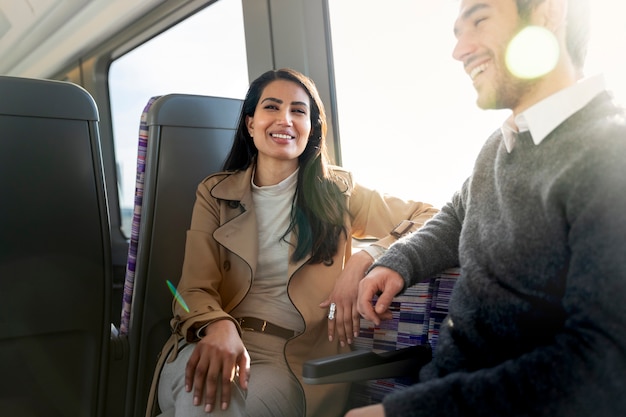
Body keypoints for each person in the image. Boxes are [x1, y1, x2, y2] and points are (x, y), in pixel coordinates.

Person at [348, 0, 626, 416]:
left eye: (479, 20)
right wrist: (398, 260)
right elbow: (458, 213)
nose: (459, 50)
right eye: (458, 32)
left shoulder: (609, 157)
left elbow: (602, 363)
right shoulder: (501, 145)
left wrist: (404, 413)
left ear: (549, 13)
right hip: (444, 384)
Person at [153, 68, 438, 417]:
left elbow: (430, 216)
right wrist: (219, 326)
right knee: (200, 404)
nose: (285, 119)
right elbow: (193, 289)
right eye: (271, 107)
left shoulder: (340, 194)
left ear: (312, 127)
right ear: (250, 123)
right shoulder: (215, 194)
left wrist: (368, 258)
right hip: (212, 338)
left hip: (289, 357)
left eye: (298, 111)